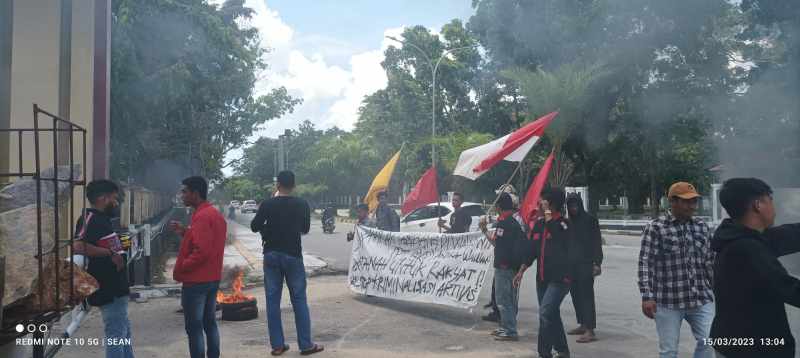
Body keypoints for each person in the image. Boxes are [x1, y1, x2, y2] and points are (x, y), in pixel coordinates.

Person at [710, 178, 800, 358]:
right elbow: (788, 288)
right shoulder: (747, 249)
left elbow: (785, 236)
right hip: (753, 349)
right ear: (758, 205)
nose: (774, 207)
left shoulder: (736, 237)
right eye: (770, 200)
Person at [250, 171, 324, 356]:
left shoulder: (267, 204)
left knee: (272, 301)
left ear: (277, 185)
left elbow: (254, 226)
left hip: (272, 256)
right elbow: (305, 229)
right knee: (299, 300)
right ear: (294, 185)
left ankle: (277, 346)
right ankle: (306, 345)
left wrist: (268, 228)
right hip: (293, 255)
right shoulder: (301, 204)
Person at [637, 182, 715, 358]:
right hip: (668, 302)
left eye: (694, 201)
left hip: (701, 298)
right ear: (672, 202)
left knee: (710, 341)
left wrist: (719, 289)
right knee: (669, 351)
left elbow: (710, 261)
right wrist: (646, 296)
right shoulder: (656, 227)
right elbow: (645, 262)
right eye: (686, 201)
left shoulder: (702, 226)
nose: (692, 206)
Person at [72, 180, 134, 358]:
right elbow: (77, 246)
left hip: (117, 288)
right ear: (102, 198)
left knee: (124, 334)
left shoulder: (103, 220)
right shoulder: (89, 218)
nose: (116, 203)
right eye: (114, 199)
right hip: (109, 289)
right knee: (116, 336)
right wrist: (108, 252)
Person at [171, 176, 227, 358]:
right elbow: (207, 242)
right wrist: (185, 232)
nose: (182, 195)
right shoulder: (213, 214)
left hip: (197, 281)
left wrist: (183, 266)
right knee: (209, 324)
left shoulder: (202, 216)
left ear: (195, 194)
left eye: (185, 191)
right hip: (212, 278)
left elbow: (202, 251)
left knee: (194, 328)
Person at [515, 187, 573, 358]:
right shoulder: (539, 224)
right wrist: (521, 270)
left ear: (552, 204)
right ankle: (562, 350)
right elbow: (532, 250)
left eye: (543, 201)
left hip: (560, 279)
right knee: (551, 315)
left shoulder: (564, 224)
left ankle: (544, 353)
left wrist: (548, 216)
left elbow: (560, 238)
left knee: (545, 313)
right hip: (542, 279)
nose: (539, 204)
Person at [479, 192, 528, 342]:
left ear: (499, 207)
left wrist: (484, 230)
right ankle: (506, 326)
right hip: (512, 267)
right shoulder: (513, 223)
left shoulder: (505, 224)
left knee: (504, 299)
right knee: (509, 299)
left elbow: (495, 243)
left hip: (505, 267)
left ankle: (510, 331)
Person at [565, 193, 603, 343]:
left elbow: (596, 242)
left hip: (586, 264)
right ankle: (582, 324)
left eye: (575, 205)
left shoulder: (590, 220)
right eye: (570, 206)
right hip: (571, 265)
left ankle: (590, 330)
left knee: (586, 296)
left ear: (580, 204)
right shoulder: (568, 222)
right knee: (575, 295)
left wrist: (597, 263)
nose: (573, 208)